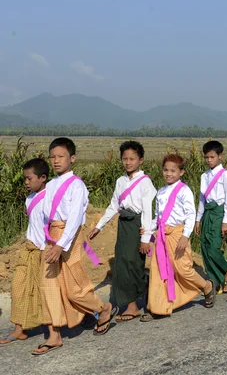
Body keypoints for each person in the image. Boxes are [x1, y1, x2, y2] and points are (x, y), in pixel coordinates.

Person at [36, 138, 118, 355]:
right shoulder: (50, 185)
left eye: (61, 156)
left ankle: (103, 308)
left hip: (68, 239)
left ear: (72, 158)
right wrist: (44, 241)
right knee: (49, 286)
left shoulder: (76, 185)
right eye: (52, 157)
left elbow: (73, 220)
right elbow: (44, 216)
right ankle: (54, 336)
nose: (55, 161)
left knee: (73, 289)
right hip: (51, 237)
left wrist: (61, 245)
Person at [89, 141, 156, 322]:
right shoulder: (120, 181)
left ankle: (146, 293)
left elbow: (148, 211)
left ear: (140, 160)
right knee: (122, 263)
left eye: (132, 159)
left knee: (134, 263)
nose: (128, 162)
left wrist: (145, 238)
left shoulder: (145, 182)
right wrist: (99, 226)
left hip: (137, 224)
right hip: (123, 225)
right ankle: (132, 304)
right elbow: (113, 206)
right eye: (125, 159)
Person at [143, 154, 215, 321]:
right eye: (166, 170)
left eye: (173, 171)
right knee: (159, 270)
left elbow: (190, 214)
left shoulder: (184, 190)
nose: (169, 173)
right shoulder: (160, 192)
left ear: (181, 172)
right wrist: (147, 230)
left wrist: (185, 236)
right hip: (162, 235)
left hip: (177, 233)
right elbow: (158, 217)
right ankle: (158, 307)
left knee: (183, 269)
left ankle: (206, 286)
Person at [0, 159, 48, 346]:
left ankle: (85, 313)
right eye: (25, 179)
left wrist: (46, 250)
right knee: (18, 287)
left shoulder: (49, 199)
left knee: (46, 290)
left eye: (29, 178)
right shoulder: (29, 199)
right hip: (28, 249)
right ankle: (19, 329)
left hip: (43, 251)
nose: (26, 182)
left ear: (42, 178)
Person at [194, 141, 227, 294]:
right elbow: (202, 199)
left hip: (219, 213)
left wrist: (226, 222)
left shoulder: (226, 176)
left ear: (220, 156)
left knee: (213, 246)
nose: (209, 160)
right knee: (204, 246)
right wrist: (198, 219)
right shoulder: (204, 176)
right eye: (206, 157)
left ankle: (226, 270)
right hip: (207, 213)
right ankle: (214, 280)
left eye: (212, 157)